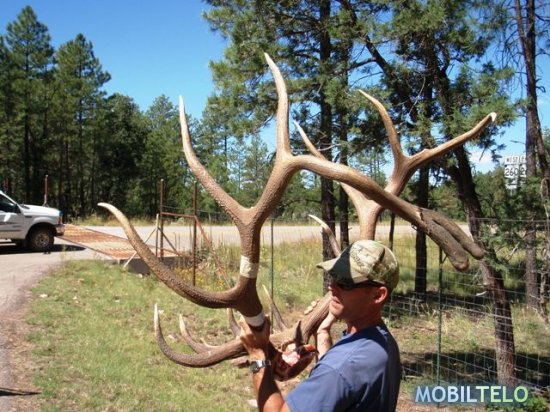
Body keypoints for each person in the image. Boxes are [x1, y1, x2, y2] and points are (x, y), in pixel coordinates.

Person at [239, 239, 401, 412]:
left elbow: (337, 373)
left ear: (378, 295)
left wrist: (257, 355)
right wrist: (322, 331)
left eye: (345, 283)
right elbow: (341, 390)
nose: (332, 287)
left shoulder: (343, 365)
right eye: (334, 276)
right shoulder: (382, 342)